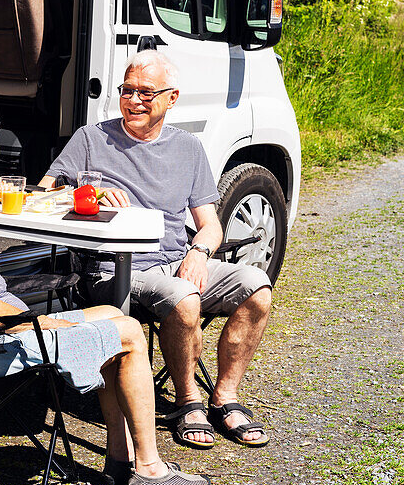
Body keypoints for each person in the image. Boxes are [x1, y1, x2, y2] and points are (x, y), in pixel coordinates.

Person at [0, 90, 209, 485]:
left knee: (108, 312)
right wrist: (47, 322)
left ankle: (120, 458)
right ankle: (148, 467)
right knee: (127, 333)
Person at [40, 52, 273, 451]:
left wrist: (199, 252)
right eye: (127, 91)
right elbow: (44, 193)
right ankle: (187, 402)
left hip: (175, 261)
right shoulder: (91, 139)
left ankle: (225, 396)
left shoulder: (187, 148)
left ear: (172, 98)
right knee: (184, 301)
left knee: (257, 288)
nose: (133, 101)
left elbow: (210, 223)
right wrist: (88, 193)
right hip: (114, 270)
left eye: (146, 93)